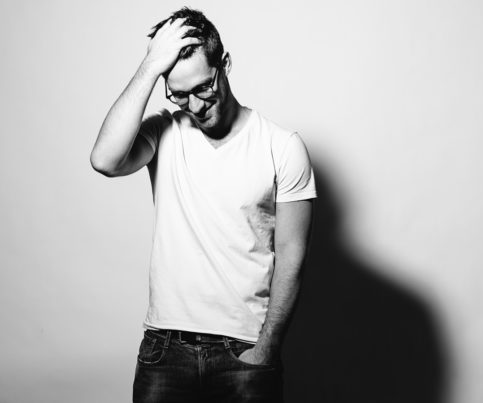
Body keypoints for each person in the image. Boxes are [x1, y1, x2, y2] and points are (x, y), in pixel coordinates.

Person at [90, 7, 316, 402]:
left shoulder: (282, 147)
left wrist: (266, 349)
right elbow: (105, 160)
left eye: (203, 88)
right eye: (179, 94)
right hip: (165, 349)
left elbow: (292, 257)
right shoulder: (164, 131)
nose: (194, 106)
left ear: (224, 64)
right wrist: (150, 66)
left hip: (244, 350)